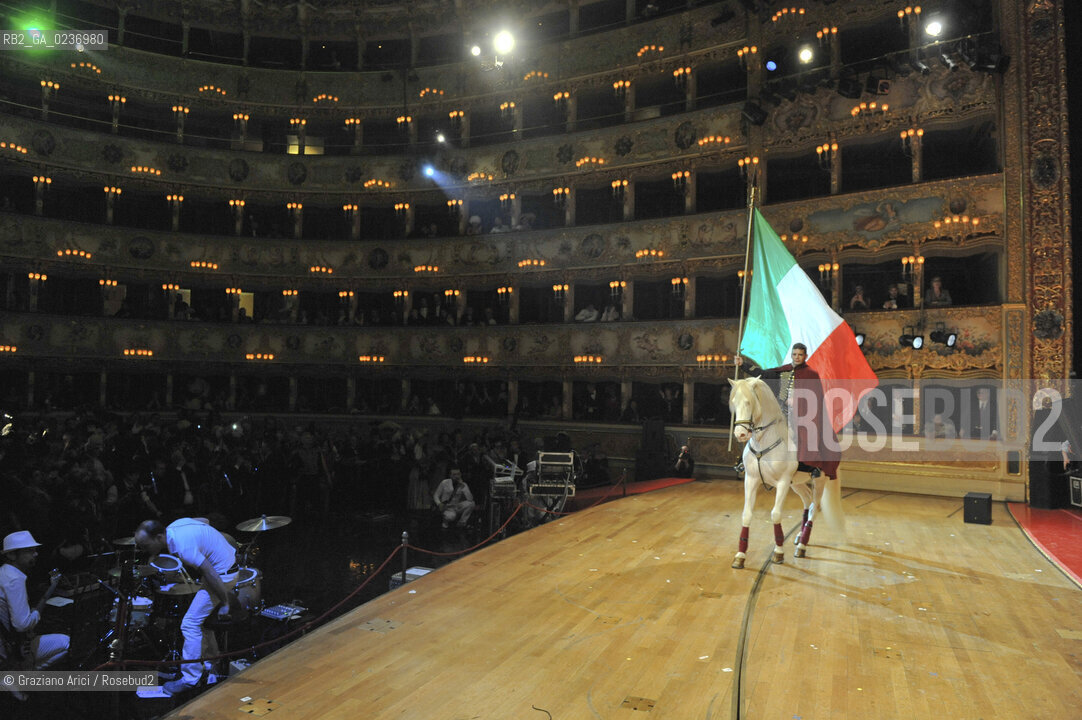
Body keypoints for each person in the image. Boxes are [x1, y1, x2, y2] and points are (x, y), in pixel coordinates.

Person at [134, 518, 240, 696]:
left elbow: (209, 572)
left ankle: (190, 680)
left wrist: (225, 603)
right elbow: (204, 520)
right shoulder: (175, 526)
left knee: (189, 623)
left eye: (144, 546)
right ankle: (210, 665)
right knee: (200, 622)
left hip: (222, 576)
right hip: (224, 566)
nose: (142, 550)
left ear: (159, 537)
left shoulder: (183, 547)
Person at [734, 343, 840, 479]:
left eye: (800, 355)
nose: (797, 357)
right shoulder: (783, 371)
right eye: (795, 354)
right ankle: (746, 461)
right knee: (759, 428)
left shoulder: (811, 374)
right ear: (791, 355)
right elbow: (762, 374)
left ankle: (811, 466)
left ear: (805, 356)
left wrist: (799, 401)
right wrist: (743, 364)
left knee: (802, 433)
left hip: (801, 414)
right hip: (780, 412)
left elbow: (815, 398)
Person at [0, 531, 69, 690]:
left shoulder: (4, 572)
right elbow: (22, 625)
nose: (36, 554)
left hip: (7, 645)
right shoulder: (14, 578)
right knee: (66, 643)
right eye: (29, 551)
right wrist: (37, 610)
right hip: (9, 652)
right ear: (12, 555)